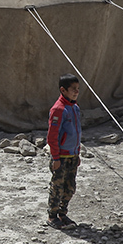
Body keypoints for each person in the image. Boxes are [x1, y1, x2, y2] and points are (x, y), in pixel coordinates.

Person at [47, 73, 82, 229]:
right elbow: (52, 136)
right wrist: (55, 158)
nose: (76, 92)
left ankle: (63, 213)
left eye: (78, 89)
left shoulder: (74, 108)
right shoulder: (58, 109)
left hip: (72, 156)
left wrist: (77, 153)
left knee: (70, 187)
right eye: (73, 89)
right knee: (57, 187)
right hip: (60, 157)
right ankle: (52, 216)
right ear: (63, 90)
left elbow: (77, 133)